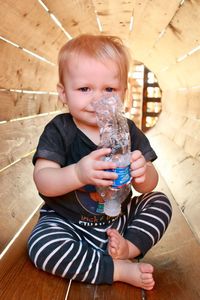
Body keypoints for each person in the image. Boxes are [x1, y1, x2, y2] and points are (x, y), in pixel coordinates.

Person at [27, 34, 172, 290]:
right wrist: (78, 174)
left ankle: (128, 248)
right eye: (84, 89)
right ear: (63, 93)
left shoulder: (126, 130)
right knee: (42, 246)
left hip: (118, 222)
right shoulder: (60, 130)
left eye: (109, 90)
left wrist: (143, 172)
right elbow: (44, 181)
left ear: (124, 93)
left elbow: (149, 185)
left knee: (159, 202)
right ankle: (116, 268)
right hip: (67, 221)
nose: (98, 99)